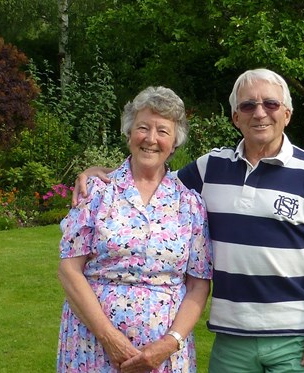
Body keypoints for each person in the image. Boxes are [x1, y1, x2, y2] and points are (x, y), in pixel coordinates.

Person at [73, 69, 304, 373]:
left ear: (287, 113)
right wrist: (97, 172)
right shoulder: (211, 167)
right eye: (248, 106)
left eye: (270, 104)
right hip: (231, 338)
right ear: (236, 117)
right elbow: (150, 174)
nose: (259, 113)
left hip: (295, 339)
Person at [57, 86, 213, 373]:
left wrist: (169, 343)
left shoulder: (190, 204)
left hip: (165, 357)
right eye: (143, 128)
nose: (151, 139)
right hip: (92, 345)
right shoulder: (96, 192)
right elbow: (69, 269)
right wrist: (109, 337)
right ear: (129, 134)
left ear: (174, 143)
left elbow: (198, 284)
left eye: (163, 131)